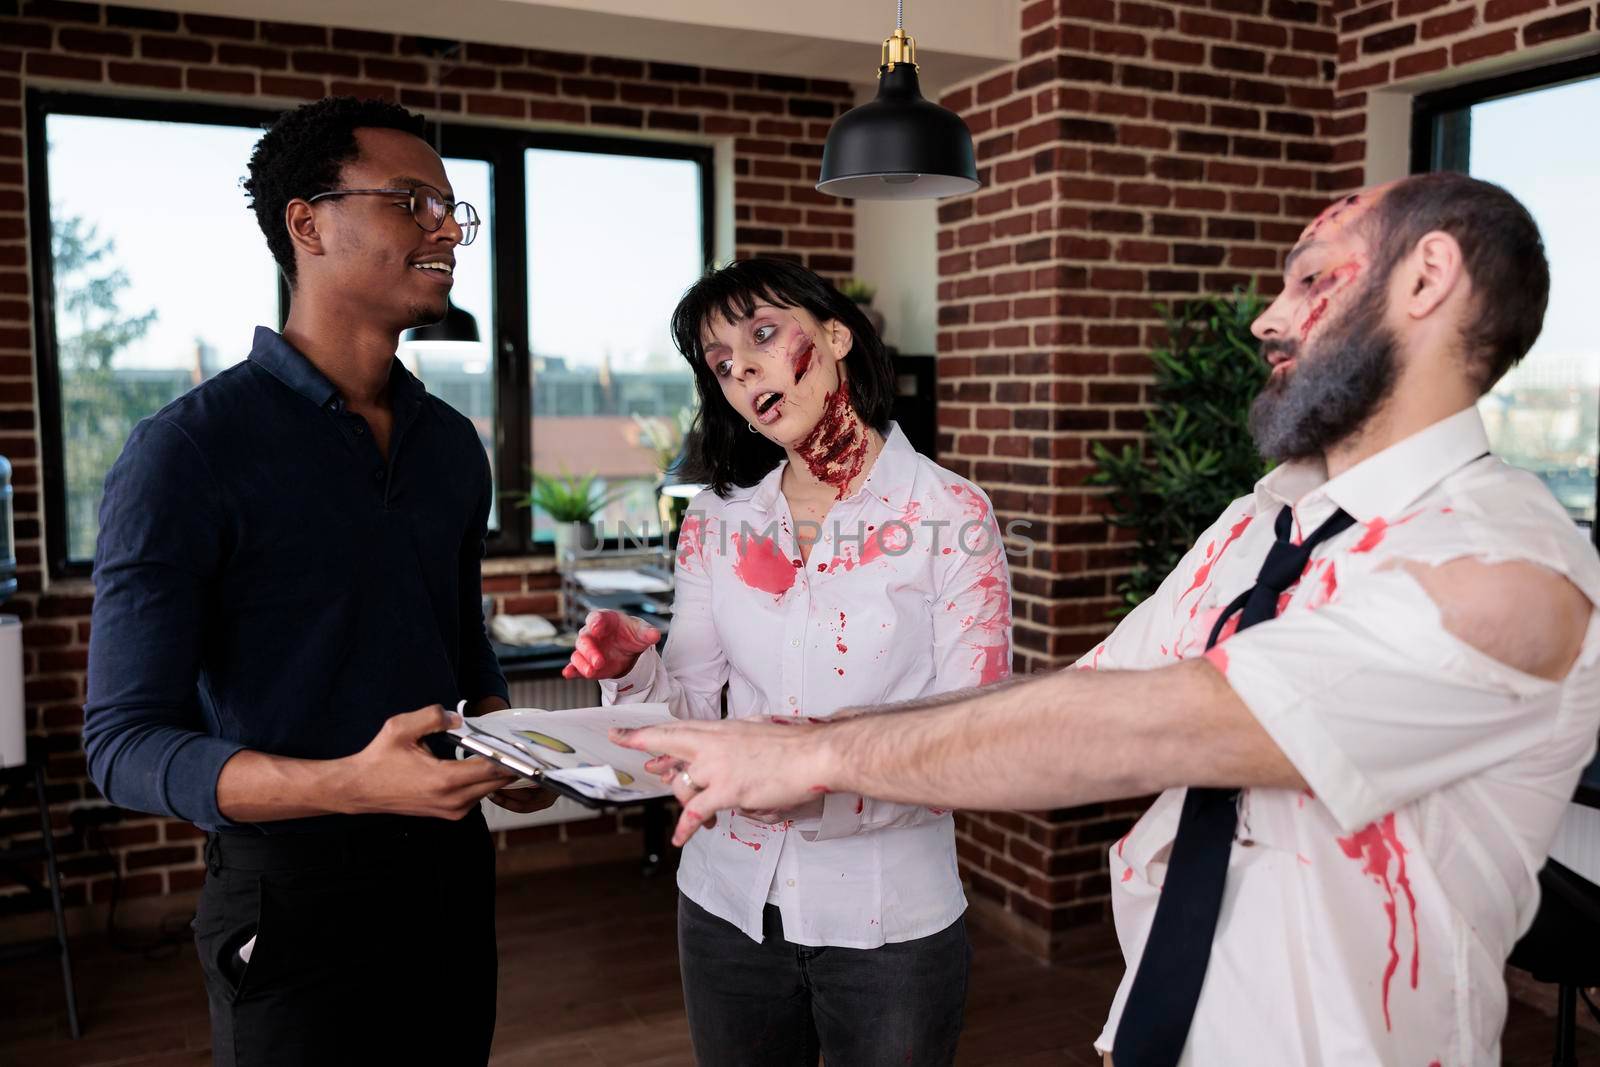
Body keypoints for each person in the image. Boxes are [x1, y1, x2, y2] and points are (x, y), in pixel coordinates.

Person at [612, 173, 1600, 1066]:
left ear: (1427, 276)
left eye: (1307, 281)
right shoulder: (1260, 522)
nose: (1266, 318)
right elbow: (1066, 695)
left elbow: (1162, 721)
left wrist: (807, 757)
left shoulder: (1510, 567)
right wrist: (779, 742)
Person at [83, 97, 546, 1067]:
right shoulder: (184, 454)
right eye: (413, 200)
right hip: (292, 898)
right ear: (307, 223)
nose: (446, 230)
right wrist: (346, 783)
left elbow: (458, 645)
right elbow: (123, 744)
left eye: (453, 210)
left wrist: (517, 741)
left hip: (451, 880)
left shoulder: (453, 447)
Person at [561, 259, 1013, 1065]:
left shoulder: (951, 514)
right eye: (721, 361)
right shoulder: (718, 517)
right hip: (726, 903)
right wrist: (634, 671)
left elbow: (970, 742)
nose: (743, 370)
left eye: (763, 334)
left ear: (836, 337)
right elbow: (694, 715)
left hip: (890, 923)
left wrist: (810, 777)